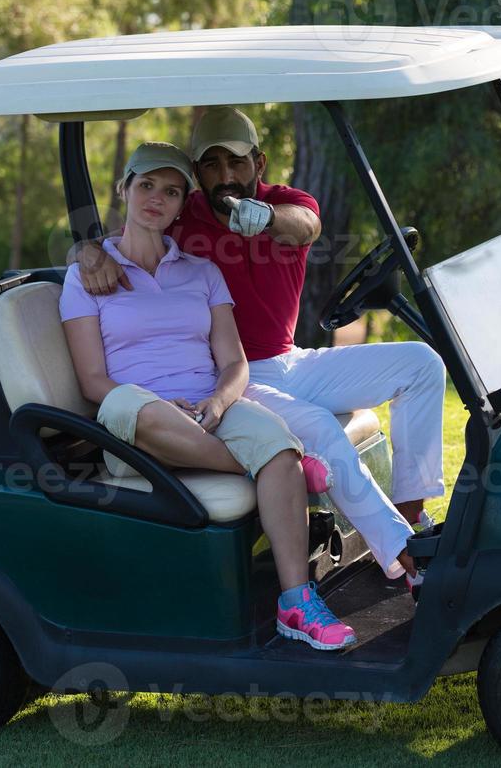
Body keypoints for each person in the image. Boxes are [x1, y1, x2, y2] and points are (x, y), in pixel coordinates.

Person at [76, 108, 446, 586]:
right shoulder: (182, 215)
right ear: (196, 173)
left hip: (289, 359)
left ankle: (409, 511)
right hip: (231, 374)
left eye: (237, 162)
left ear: (260, 162)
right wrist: (84, 251)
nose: (226, 175)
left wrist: (265, 219)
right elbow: (130, 232)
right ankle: (404, 557)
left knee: (420, 363)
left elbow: (304, 227)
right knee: (318, 429)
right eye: (211, 164)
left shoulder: (288, 204)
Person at [60, 141, 355, 650]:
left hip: (206, 409)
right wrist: (159, 405)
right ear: (124, 189)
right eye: (146, 185)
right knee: (261, 452)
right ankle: (266, 464)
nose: (157, 199)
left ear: (182, 205)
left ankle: (296, 604)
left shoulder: (201, 271)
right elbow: (92, 381)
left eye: (172, 191)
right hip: (134, 419)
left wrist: (218, 403)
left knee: (273, 441)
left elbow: (235, 362)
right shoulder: (88, 274)